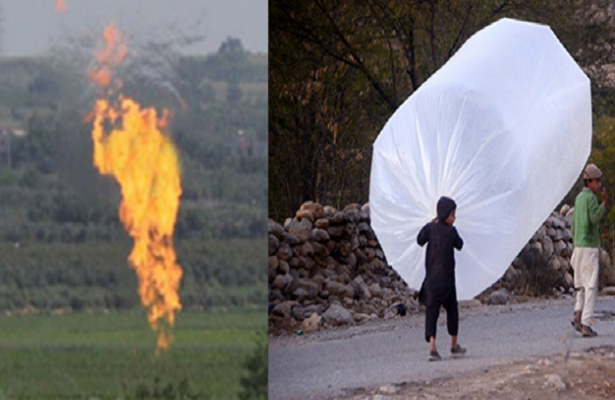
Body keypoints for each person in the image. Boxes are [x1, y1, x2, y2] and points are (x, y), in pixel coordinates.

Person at [417, 196, 466, 361]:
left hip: (431, 281)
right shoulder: (451, 232)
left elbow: (419, 240)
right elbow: (460, 245)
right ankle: (454, 346)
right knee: (452, 310)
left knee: (432, 312)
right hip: (447, 282)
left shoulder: (430, 229)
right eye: (453, 214)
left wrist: (430, 224)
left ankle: (433, 348)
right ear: (446, 215)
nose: (454, 218)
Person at [571, 163, 609, 337]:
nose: (599, 185)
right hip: (588, 248)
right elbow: (594, 219)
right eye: (597, 181)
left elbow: (573, 226)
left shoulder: (578, 199)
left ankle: (577, 314)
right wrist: (603, 206)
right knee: (591, 286)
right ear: (589, 181)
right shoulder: (591, 199)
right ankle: (586, 324)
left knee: (580, 286)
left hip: (577, 247)